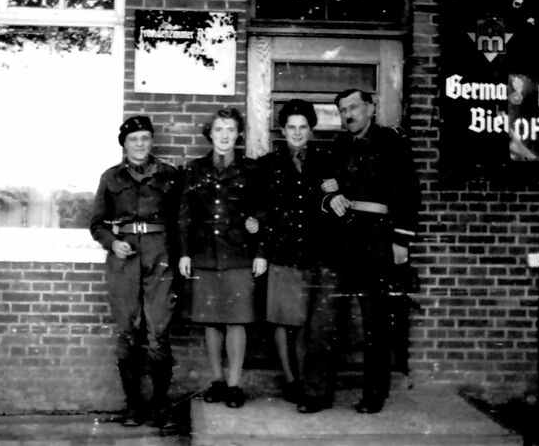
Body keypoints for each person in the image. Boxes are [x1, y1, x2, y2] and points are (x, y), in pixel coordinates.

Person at [297, 88, 420, 415]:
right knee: (322, 321)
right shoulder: (336, 147)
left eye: (353, 107)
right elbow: (319, 189)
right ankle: (315, 394)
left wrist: (401, 242)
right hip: (337, 243)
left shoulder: (392, 143)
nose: (348, 114)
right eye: (342, 110)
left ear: (370, 107)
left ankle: (373, 395)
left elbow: (409, 194)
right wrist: (329, 199)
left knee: (375, 323)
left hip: (376, 242)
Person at [89, 115, 180, 427]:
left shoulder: (169, 174)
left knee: (158, 332)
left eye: (145, 138)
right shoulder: (110, 177)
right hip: (124, 257)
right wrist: (112, 242)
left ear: (151, 141)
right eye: (133, 139)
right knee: (128, 331)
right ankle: (133, 405)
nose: (140, 144)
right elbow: (96, 223)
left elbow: (182, 220)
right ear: (124, 145)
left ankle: (159, 405)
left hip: (160, 256)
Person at [178, 107, 267, 409]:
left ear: (239, 134)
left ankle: (234, 385)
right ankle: (216, 381)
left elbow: (262, 213)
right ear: (210, 134)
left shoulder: (252, 170)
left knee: (237, 320)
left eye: (230, 129)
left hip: (239, 254)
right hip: (204, 253)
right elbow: (184, 216)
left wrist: (261, 252)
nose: (225, 135)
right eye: (219, 130)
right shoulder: (194, 170)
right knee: (210, 320)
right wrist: (185, 253)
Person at [256, 99, 333, 403]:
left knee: (307, 323)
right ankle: (291, 380)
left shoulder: (326, 162)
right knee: (282, 319)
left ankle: (306, 379)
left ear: (311, 130)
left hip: (316, 253)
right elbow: (261, 211)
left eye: (303, 127)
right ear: (282, 129)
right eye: (291, 127)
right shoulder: (268, 165)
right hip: (282, 252)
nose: (297, 133)